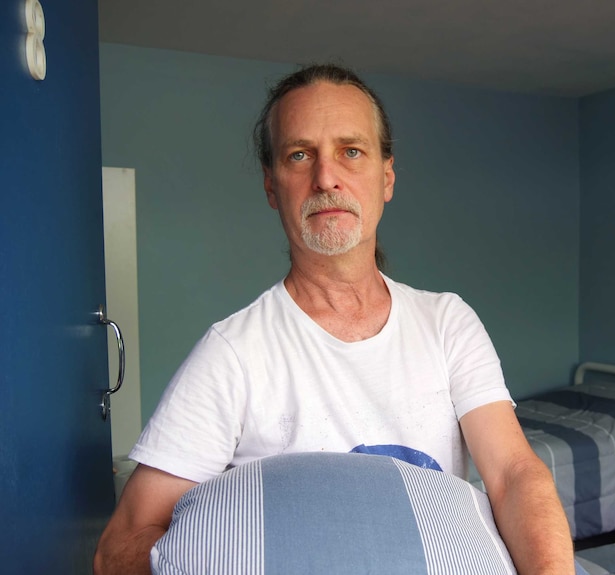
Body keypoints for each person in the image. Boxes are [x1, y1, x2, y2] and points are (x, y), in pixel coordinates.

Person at [94, 63, 574, 574]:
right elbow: (118, 547)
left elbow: (514, 476)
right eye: (299, 155)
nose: (326, 177)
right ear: (272, 187)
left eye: (351, 151)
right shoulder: (233, 354)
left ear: (386, 178)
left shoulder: (447, 323)